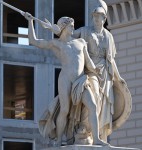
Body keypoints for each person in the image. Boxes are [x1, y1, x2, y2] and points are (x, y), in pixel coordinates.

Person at [24, 13, 107, 146]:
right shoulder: (56, 44)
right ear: (63, 28)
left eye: (73, 26)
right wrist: (29, 22)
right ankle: (58, 141)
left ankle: (96, 139)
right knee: (65, 110)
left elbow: (89, 63)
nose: (73, 29)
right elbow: (34, 41)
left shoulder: (80, 42)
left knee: (93, 105)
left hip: (81, 80)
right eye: (71, 26)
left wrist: (98, 71)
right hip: (66, 79)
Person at [73, 0, 129, 142]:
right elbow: (68, 35)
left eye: (100, 16)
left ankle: (93, 132)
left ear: (104, 18)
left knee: (102, 104)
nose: (97, 18)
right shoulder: (85, 31)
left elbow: (110, 60)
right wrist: (56, 29)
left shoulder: (108, 37)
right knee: (94, 97)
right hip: (91, 72)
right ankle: (84, 127)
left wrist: (118, 77)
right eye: (95, 16)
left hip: (105, 75)